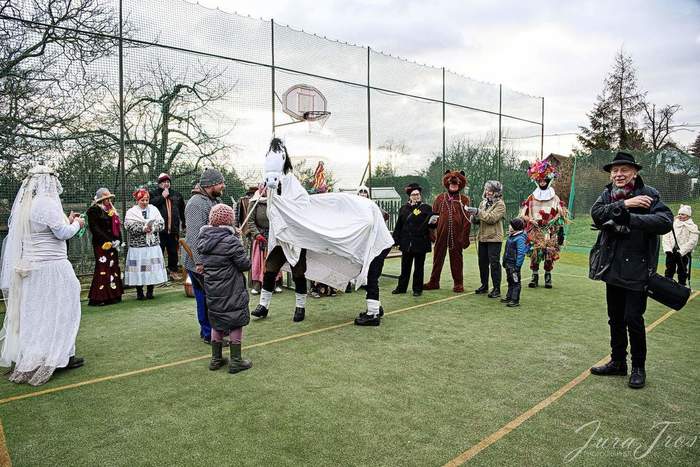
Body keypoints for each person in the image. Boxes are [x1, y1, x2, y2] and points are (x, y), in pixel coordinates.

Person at [589, 151, 673, 389]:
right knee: (615, 318)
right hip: (611, 266)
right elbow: (596, 214)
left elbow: (665, 222)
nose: (618, 174)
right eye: (615, 170)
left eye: (624, 170)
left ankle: (638, 367)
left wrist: (630, 218)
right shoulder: (607, 194)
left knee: (633, 319)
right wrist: (624, 204)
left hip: (638, 269)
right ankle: (618, 362)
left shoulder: (649, 194)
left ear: (634, 172)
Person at [0, 166, 85, 386]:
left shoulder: (25, 205)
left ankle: (42, 353)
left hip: (33, 267)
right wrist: (77, 224)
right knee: (64, 308)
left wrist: (67, 220)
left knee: (38, 312)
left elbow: (44, 230)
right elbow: (62, 233)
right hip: (52, 267)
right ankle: (60, 354)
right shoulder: (46, 203)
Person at [197, 204, 252, 374]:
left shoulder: (203, 239)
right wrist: (239, 240)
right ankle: (236, 361)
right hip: (231, 289)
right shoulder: (231, 241)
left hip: (213, 290)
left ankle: (216, 359)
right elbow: (245, 265)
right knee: (235, 322)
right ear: (229, 221)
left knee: (217, 322)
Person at [183, 168, 226, 344]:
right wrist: (199, 262)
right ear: (211, 184)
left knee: (211, 297)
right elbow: (194, 237)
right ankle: (209, 334)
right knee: (206, 298)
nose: (223, 186)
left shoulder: (212, 200)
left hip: (209, 260)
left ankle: (211, 331)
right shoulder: (195, 204)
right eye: (221, 182)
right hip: (199, 262)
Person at [520, 160, 569, 289]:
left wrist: (555, 218)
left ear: (548, 181)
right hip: (535, 229)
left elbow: (561, 212)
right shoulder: (532, 197)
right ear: (537, 181)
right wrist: (530, 220)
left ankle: (548, 276)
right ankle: (534, 276)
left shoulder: (554, 197)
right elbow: (523, 214)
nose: (542, 183)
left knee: (549, 253)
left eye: (544, 181)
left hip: (549, 230)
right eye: (540, 181)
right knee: (535, 252)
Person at [424, 170, 471, 293]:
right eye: (451, 184)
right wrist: (431, 233)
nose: (453, 186)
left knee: (457, 259)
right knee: (437, 258)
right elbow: (433, 217)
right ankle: (434, 281)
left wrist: (465, 237)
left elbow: (467, 220)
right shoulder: (440, 198)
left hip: (457, 236)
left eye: (456, 184)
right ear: (447, 183)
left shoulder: (464, 200)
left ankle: (458, 283)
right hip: (441, 234)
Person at [124, 188, 168, 300]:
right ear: (137, 200)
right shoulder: (132, 212)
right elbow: (128, 226)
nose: (145, 202)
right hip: (138, 247)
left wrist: (152, 228)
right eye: (142, 200)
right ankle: (139, 292)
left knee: (151, 268)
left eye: (147, 200)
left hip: (152, 245)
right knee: (139, 269)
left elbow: (161, 224)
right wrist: (143, 228)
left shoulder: (154, 209)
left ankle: (150, 291)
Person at [392, 183, 435, 297]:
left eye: (418, 194)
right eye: (414, 194)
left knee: (419, 267)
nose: (416, 196)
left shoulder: (426, 208)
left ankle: (417, 289)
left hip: (420, 242)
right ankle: (401, 287)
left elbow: (431, 225)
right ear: (409, 196)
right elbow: (399, 225)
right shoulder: (403, 209)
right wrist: (396, 240)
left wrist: (434, 223)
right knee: (405, 267)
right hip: (406, 243)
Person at [467, 180, 507, 298]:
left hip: (494, 238)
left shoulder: (500, 204)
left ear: (496, 192)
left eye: (490, 190)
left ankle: (496, 289)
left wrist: (478, 212)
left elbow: (492, 218)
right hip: (482, 237)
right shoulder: (483, 203)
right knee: (482, 263)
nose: (487, 192)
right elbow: (478, 220)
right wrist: (473, 216)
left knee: (494, 264)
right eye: (486, 190)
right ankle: (484, 286)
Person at [86, 187, 124, 306]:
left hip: (113, 244)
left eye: (109, 198)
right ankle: (99, 297)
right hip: (101, 244)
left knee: (113, 267)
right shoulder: (93, 210)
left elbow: (117, 226)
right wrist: (108, 240)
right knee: (103, 268)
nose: (108, 200)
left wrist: (118, 240)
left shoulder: (112, 210)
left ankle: (113, 295)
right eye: (106, 198)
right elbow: (95, 228)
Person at [149, 173, 186, 281]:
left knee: (173, 251)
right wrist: (162, 197)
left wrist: (184, 223)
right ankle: (157, 274)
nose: (166, 184)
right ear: (159, 184)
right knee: (158, 251)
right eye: (164, 182)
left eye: (168, 182)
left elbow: (182, 210)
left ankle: (173, 271)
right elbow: (150, 205)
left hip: (173, 229)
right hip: (159, 230)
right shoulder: (153, 194)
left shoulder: (176, 195)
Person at [246, 191, 283, 295]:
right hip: (260, 237)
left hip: (273, 235)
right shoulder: (254, 202)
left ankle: (275, 283)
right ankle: (257, 285)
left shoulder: (275, 201)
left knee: (274, 260)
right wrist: (257, 234)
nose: (266, 191)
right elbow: (250, 221)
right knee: (258, 261)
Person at [662, 204, 697, 288]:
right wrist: (668, 250)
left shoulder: (693, 227)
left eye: (683, 214)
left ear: (688, 215)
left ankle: (681, 287)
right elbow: (666, 236)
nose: (680, 216)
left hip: (683, 253)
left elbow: (693, 241)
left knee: (682, 271)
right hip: (671, 251)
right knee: (669, 269)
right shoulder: (673, 224)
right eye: (679, 214)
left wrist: (681, 252)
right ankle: (667, 287)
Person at [501, 218, 528, 308]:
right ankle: (509, 297)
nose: (509, 227)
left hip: (514, 265)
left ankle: (515, 299)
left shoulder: (520, 238)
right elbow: (506, 251)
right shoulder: (511, 236)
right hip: (508, 263)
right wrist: (504, 261)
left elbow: (521, 253)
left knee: (515, 281)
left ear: (515, 227)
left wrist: (517, 266)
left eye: (511, 225)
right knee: (510, 280)